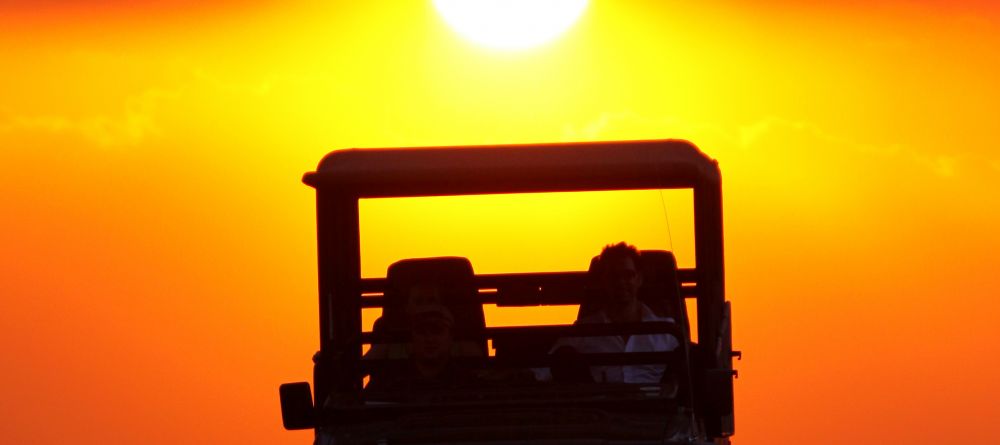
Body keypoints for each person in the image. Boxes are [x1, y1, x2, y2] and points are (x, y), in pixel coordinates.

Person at [547, 242, 680, 384]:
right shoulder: (584, 331)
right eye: (614, 276)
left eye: (628, 275)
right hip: (600, 403)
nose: (621, 282)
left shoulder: (667, 332)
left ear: (639, 279)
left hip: (655, 404)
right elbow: (546, 366)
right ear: (603, 281)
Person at [365, 304, 476, 392]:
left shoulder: (468, 384)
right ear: (411, 338)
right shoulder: (388, 383)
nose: (429, 339)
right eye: (421, 332)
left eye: (437, 331)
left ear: (451, 337)